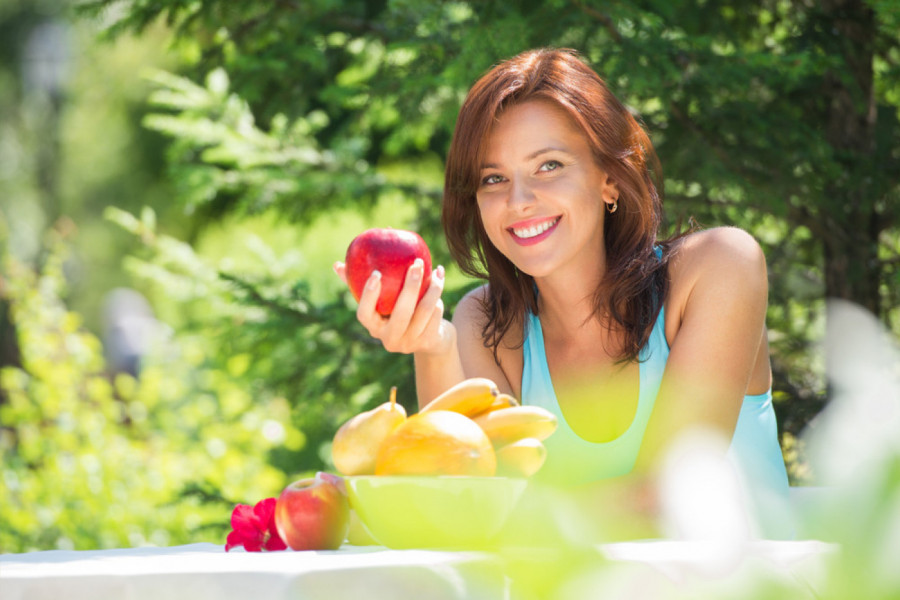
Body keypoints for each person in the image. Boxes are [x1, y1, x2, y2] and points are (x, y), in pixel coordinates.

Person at [334, 48, 791, 535]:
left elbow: (667, 493)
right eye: (494, 178)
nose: (518, 201)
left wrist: (504, 521)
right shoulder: (487, 325)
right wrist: (434, 348)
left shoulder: (718, 268)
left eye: (548, 166)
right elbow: (468, 499)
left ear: (609, 180)